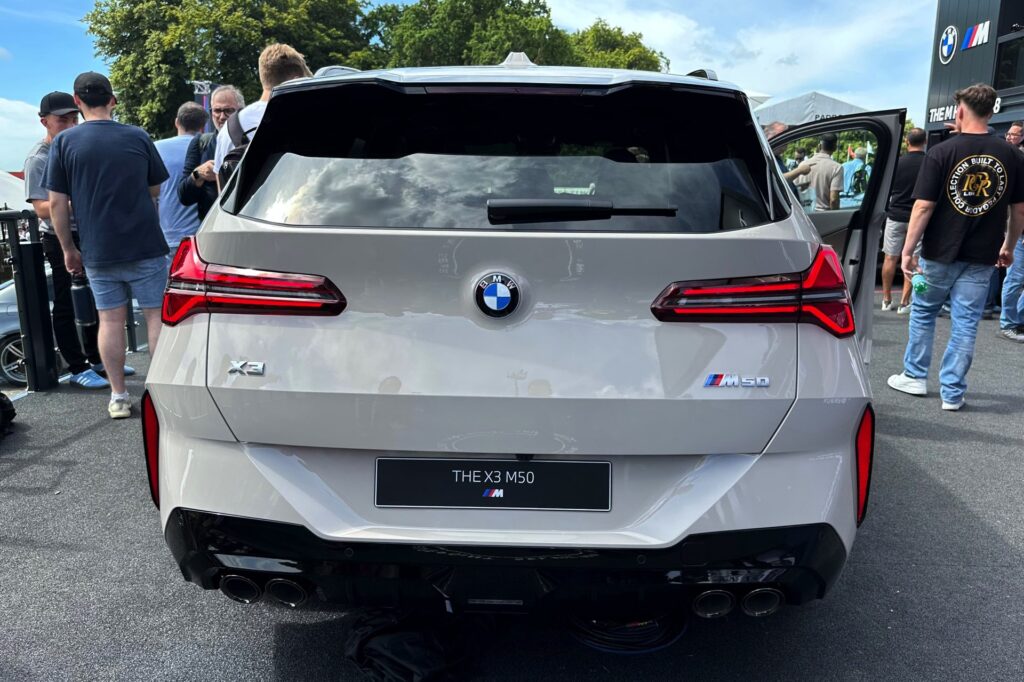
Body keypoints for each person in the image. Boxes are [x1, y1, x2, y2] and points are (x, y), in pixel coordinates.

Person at [887, 84, 1024, 410]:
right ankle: (952, 393)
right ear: (992, 112)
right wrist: (1009, 245)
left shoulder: (942, 151)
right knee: (965, 323)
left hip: (939, 251)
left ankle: (915, 375)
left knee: (923, 312)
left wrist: (907, 250)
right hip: (981, 256)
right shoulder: (1012, 155)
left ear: (960, 111)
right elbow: (1019, 211)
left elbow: (923, 207)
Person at [44, 72, 170, 419]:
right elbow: (155, 190)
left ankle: (117, 396)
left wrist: (69, 249)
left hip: (98, 248)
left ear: (78, 101)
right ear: (113, 100)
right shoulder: (138, 136)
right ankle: (157, 395)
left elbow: (56, 203)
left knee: (109, 321)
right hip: (145, 243)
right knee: (156, 317)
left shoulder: (64, 144)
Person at [22, 92, 108, 389]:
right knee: (66, 301)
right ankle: (76, 365)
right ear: (44, 122)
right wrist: (76, 200)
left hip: (86, 231)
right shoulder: (38, 158)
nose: (70, 125)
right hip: (58, 235)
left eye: (74, 119)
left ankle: (98, 359)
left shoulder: (75, 148)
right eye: (63, 120)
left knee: (97, 298)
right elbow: (42, 208)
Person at [213, 43, 311, 183]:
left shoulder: (229, 128)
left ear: (263, 76)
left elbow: (221, 189)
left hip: (250, 206)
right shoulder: (306, 121)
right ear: (296, 79)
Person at [177, 85, 244, 222]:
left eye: (228, 111)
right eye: (217, 111)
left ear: (241, 111)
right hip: (213, 227)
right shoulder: (201, 143)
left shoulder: (251, 140)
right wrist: (198, 174)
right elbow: (184, 196)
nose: (222, 116)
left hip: (247, 224)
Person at [881, 128, 927, 314]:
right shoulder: (929, 163)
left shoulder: (896, 164)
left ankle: (886, 299)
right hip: (919, 218)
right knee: (913, 260)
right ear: (924, 142)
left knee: (890, 257)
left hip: (895, 215)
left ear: (907, 142)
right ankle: (904, 302)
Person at [155, 102, 208, 251]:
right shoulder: (210, 147)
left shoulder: (156, 148)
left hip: (169, 235)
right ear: (203, 126)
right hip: (204, 236)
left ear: (176, 122)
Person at [784, 134, 844, 210]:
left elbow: (794, 190)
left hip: (803, 214)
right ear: (835, 148)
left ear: (819, 146)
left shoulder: (803, 165)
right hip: (824, 215)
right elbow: (833, 200)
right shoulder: (837, 168)